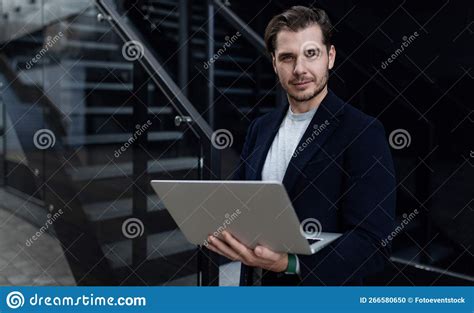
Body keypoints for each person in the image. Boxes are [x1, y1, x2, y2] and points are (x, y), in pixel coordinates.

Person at [205, 5, 396, 286]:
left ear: (329, 57)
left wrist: (290, 263)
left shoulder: (363, 132)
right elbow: (242, 205)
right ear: (274, 63)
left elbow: (373, 244)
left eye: (311, 54)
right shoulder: (261, 128)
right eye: (287, 57)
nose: (299, 69)